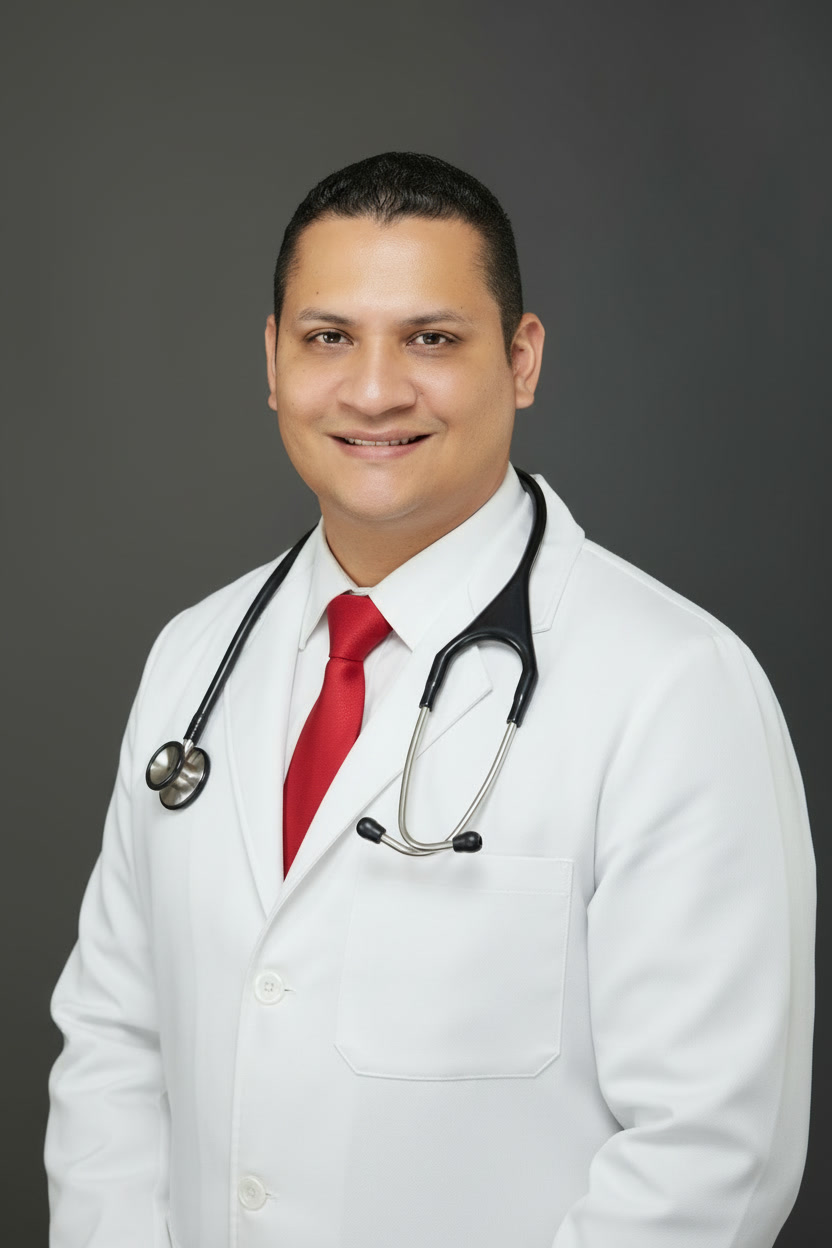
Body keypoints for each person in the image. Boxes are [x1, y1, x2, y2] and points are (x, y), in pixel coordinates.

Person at [45, 151, 815, 1248]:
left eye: (432, 339)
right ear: (272, 361)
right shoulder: (193, 658)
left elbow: (710, 1159)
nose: (373, 391)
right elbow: (115, 1041)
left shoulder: (675, 689)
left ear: (522, 359)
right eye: (328, 337)